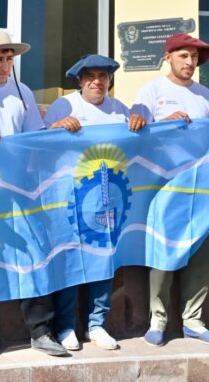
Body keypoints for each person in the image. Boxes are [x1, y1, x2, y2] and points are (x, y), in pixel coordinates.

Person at [0, 32, 68, 357]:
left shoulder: (23, 93)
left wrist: (56, 131)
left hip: (18, 187)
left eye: (9, 59)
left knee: (32, 253)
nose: (5, 65)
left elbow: (33, 138)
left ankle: (40, 330)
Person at [132, 32, 209, 348]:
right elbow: (137, 134)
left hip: (202, 187)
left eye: (194, 57)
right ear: (169, 57)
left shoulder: (206, 96)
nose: (190, 62)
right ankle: (158, 320)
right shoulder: (152, 90)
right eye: (184, 56)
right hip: (164, 186)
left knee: (202, 256)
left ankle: (193, 321)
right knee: (163, 252)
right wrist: (161, 124)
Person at [42, 54, 146, 352]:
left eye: (103, 76)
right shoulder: (65, 106)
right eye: (90, 76)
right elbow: (41, 143)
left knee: (104, 260)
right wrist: (57, 126)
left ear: (110, 80)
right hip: (70, 197)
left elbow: (139, 144)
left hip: (107, 199)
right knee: (71, 260)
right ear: (80, 80)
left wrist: (141, 124)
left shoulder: (119, 110)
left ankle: (96, 324)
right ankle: (65, 325)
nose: (97, 82)